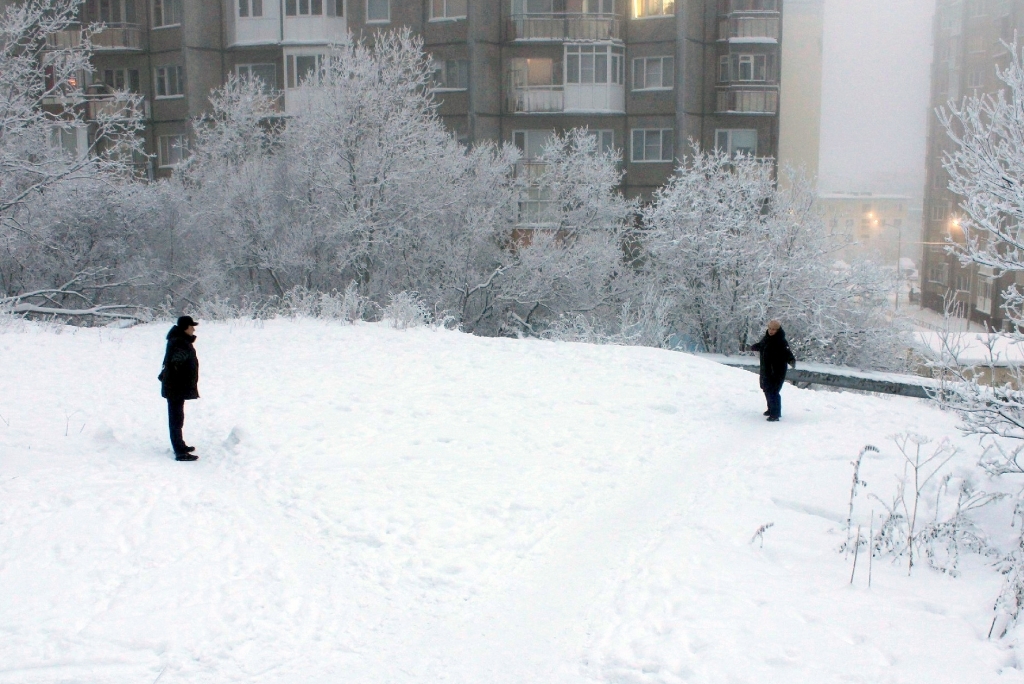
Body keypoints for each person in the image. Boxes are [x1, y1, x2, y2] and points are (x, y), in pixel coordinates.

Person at [159, 315, 200, 460]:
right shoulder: (180, 342)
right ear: (185, 327)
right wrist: (183, 379)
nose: (194, 329)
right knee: (176, 418)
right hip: (175, 387)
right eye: (191, 326)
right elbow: (176, 364)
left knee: (178, 417)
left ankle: (180, 445)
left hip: (175, 386)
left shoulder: (179, 340)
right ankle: (180, 451)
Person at [750, 319, 796, 422]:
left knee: (773, 391)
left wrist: (791, 360)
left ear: (778, 330)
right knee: (766, 389)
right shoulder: (766, 338)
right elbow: (762, 346)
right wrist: (755, 347)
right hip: (766, 370)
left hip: (777, 371)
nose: (771, 331)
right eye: (770, 328)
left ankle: (775, 414)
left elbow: (787, 353)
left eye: (774, 329)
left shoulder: (781, 341)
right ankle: (770, 409)